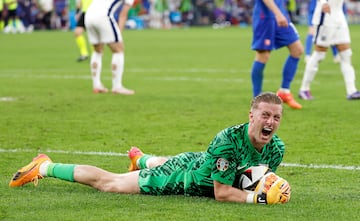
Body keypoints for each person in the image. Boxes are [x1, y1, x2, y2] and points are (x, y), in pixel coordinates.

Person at [9, 92, 290, 205]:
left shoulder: (276, 148)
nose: (270, 122)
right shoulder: (228, 141)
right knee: (112, 184)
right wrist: (261, 199)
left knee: (186, 161)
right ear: (251, 115)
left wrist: (268, 186)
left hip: (199, 161)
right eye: (265, 115)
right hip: (184, 177)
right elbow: (221, 192)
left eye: (276, 117)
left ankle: (141, 159)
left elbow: (255, 179)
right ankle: (44, 166)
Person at [298, 0, 360, 100]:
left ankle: (351, 90)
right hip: (325, 17)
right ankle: (304, 89)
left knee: (346, 54)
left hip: (339, 17)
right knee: (319, 54)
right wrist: (323, 3)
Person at [250, 0, 303, 110]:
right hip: (266, 17)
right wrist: (277, 13)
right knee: (263, 56)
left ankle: (284, 91)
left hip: (281, 14)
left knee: (297, 50)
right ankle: (257, 98)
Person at [84, 0, 135, 94]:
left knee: (97, 50)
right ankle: (117, 86)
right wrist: (118, 35)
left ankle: (97, 85)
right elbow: (123, 15)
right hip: (103, 16)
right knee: (118, 50)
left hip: (89, 15)